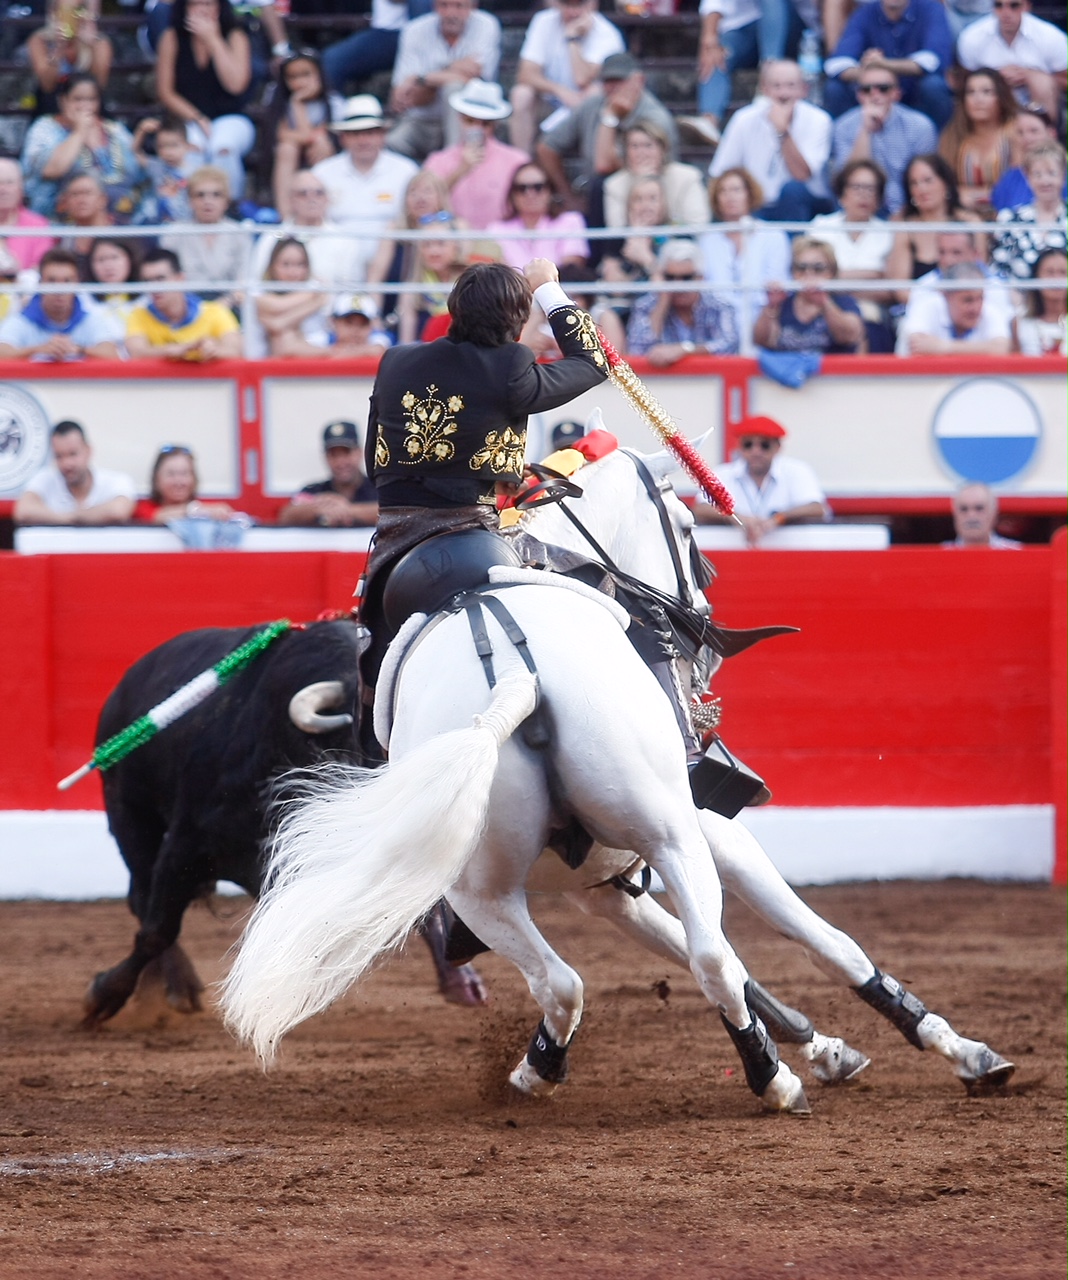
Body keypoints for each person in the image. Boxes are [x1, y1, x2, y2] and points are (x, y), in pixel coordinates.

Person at [358, 257, 610, 715]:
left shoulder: (395, 361)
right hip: (470, 527)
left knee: (371, 648)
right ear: (516, 322)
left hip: (392, 535)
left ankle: (368, 711)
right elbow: (593, 361)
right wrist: (548, 290)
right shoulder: (511, 366)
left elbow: (373, 456)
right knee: (596, 583)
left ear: (455, 309)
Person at [535, 51, 678, 215]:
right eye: (608, 81)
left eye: (619, 80)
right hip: (596, 199)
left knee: (603, 184)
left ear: (639, 80)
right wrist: (567, 196)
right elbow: (546, 147)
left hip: (649, 199)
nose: (613, 87)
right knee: (598, 189)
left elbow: (604, 166)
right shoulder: (592, 105)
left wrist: (610, 117)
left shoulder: (655, 117)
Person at [708, 60, 834, 223]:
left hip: (806, 203)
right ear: (764, 89)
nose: (783, 94)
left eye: (791, 86)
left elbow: (802, 175)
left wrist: (783, 132)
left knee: (792, 190)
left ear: (804, 89)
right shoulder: (744, 118)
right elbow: (721, 172)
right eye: (776, 86)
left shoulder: (819, 120)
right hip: (757, 205)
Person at [156, 0, 256, 204]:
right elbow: (165, 92)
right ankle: (189, 205)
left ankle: (229, 204)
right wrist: (197, 117)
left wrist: (213, 40)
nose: (203, 10)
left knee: (223, 147)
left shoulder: (236, 36)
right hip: (189, 117)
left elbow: (236, 85)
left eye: (209, 4)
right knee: (192, 146)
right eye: (196, 4)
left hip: (232, 117)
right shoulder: (172, 37)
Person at [311, 94, 420, 281]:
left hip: (394, 257)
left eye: (369, 132)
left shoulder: (406, 171)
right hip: (336, 257)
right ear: (343, 138)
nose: (363, 140)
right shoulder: (323, 172)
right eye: (355, 134)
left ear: (382, 135)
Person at [20, 71, 145, 222]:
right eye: (77, 99)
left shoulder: (115, 130)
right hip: (58, 220)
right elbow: (51, 170)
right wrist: (79, 132)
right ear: (63, 101)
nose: (84, 106)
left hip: (118, 219)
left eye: (91, 99)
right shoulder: (45, 128)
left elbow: (137, 170)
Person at [387, 0, 502, 162]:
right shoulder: (414, 30)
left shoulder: (486, 24)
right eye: (444, 5)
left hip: (469, 123)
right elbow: (404, 97)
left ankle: (453, 163)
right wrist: (453, 69)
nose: (450, 13)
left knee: (453, 88)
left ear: (472, 7)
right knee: (391, 144)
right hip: (422, 120)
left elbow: (475, 81)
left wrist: (421, 78)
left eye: (459, 6)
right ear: (434, 6)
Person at [692, 414, 830, 548]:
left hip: (787, 551)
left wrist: (779, 519)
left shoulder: (797, 471)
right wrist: (736, 517)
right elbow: (701, 508)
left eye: (764, 445)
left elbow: (816, 508)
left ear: (777, 447)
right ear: (739, 447)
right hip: (737, 552)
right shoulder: (723, 473)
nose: (755, 451)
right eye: (748, 445)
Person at [509, 0, 625, 155]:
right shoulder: (543, 21)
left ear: (593, 4)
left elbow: (581, 79)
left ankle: (589, 166)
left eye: (579, 5)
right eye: (568, 4)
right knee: (521, 94)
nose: (573, 12)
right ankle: (522, 163)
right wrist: (559, 91)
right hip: (550, 103)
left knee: (594, 93)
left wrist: (573, 40)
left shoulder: (608, 34)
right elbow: (525, 74)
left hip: (586, 107)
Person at [683, 0, 802, 148]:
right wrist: (709, 38)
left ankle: (768, 78)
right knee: (716, 53)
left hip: (794, 26)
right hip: (746, 27)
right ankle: (709, 119)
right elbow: (714, 4)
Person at [697, 167, 791, 354]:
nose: (730, 196)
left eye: (736, 190)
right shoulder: (706, 240)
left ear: (749, 194)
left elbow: (775, 286)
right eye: (723, 191)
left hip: (763, 321)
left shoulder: (774, 236)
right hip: (717, 327)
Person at [823, 0, 955, 128]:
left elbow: (932, 61)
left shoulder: (930, 8)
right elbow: (836, 64)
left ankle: (936, 145)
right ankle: (843, 143)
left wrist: (883, 64)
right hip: (875, 91)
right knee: (834, 88)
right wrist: (873, 73)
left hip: (914, 93)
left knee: (933, 85)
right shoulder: (865, 13)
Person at [830, 62, 938, 213]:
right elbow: (848, 179)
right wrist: (865, 130)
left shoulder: (920, 126)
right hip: (860, 207)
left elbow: (923, 177)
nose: (875, 94)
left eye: (883, 89)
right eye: (867, 89)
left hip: (907, 207)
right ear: (859, 95)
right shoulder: (844, 126)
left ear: (896, 94)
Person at [810, 159, 896, 350]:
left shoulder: (889, 233)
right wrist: (872, 275)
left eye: (870, 189)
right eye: (857, 187)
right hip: (823, 311)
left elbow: (889, 290)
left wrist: (834, 279)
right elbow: (811, 278)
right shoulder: (821, 227)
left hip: (872, 316)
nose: (863, 195)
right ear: (842, 195)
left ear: (879, 199)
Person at [423, 79, 529, 230]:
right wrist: (461, 170)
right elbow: (426, 207)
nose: (477, 128)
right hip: (453, 244)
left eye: (485, 123)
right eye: (470, 120)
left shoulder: (517, 161)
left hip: (501, 244)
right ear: (460, 119)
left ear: (495, 124)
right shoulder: (437, 161)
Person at [626, 238, 739, 366]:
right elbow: (637, 352)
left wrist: (685, 350)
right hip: (661, 384)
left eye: (686, 278)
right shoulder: (645, 306)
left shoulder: (719, 306)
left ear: (700, 278)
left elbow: (729, 345)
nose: (677, 285)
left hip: (707, 381)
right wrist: (662, 303)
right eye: (670, 277)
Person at [886, 153, 982, 300]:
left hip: (968, 307)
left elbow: (981, 273)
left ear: (946, 183)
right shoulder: (905, 229)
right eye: (914, 183)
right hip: (919, 309)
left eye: (928, 180)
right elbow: (900, 289)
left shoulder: (971, 222)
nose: (921, 189)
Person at [250, 170, 367, 288]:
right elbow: (257, 282)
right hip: (279, 303)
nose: (312, 199)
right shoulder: (272, 238)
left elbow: (351, 288)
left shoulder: (344, 240)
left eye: (319, 193)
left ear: (327, 199)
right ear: (291, 200)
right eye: (303, 193)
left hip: (329, 303)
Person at [0, 246, 121, 361]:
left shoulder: (90, 319)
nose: (59, 289)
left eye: (67, 281)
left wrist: (79, 350)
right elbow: (2, 351)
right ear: (40, 283)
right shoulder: (22, 320)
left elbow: (113, 354)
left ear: (77, 284)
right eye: (52, 280)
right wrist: (37, 350)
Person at [125, 246, 243, 361]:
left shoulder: (215, 311)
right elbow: (136, 353)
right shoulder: (138, 314)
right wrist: (173, 350)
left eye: (160, 279)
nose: (153, 287)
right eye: (147, 281)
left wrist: (213, 350)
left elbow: (236, 351)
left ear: (180, 279)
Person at [956, 0, 1068, 120]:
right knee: (982, 86)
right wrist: (995, 78)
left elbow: (1065, 80)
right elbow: (964, 82)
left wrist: (1029, 76)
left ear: (1026, 6)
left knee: (1042, 82)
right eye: (998, 5)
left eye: (1014, 5)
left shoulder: (1051, 36)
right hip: (993, 105)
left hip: (1037, 103)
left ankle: (1044, 131)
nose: (1006, 13)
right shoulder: (972, 37)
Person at [754, 236, 867, 354]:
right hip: (791, 371)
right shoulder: (783, 302)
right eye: (801, 268)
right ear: (793, 272)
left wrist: (825, 303)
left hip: (833, 371)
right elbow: (762, 341)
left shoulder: (844, 301)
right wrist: (771, 306)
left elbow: (849, 337)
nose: (809, 274)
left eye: (818, 268)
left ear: (832, 272)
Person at [13, 419, 135, 526]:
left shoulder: (115, 480)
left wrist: (74, 517)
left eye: (73, 454)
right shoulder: (44, 479)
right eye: (59, 456)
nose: (67, 463)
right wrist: (70, 518)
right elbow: (23, 511)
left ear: (88, 451)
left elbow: (119, 511)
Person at [160, 165, 251, 306]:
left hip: (230, 305)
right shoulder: (174, 233)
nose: (207, 201)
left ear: (226, 202)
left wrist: (222, 305)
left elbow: (244, 279)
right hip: (185, 306)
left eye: (216, 195)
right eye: (200, 195)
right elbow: (167, 278)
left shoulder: (239, 233)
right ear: (190, 201)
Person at [267, 50, 341, 219]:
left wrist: (310, 136)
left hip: (324, 157)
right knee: (287, 149)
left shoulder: (334, 103)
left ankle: (324, 213)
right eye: (293, 77)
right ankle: (285, 215)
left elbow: (315, 137)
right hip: (290, 161)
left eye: (306, 74)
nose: (300, 82)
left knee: (322, 145)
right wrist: (297, 103)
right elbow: (284, 136)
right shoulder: (281, 104)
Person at [602, 122, 711, 231]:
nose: (641, 153)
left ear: (662, 149)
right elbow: (616, 229)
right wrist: (640, 182)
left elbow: (698, 222)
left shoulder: (687, 176)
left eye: (648, 145)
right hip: (633, 241)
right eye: (634, 146)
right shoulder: (614, 185)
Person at [938, 67, 1016, 215]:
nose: (978, 99)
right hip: (965, 218)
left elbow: (1021, 181)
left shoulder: (1016, 132)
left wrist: (986, 194)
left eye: (986, 92)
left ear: (1001, 97)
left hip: (1010, 213)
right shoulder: (952, 136)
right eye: (970, 92)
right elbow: (943, 184)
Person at [486, 162, 590, 272]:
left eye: (538, 187)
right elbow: (496, 271)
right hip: (511, 288)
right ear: (512, 194)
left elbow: (571, 265)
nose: (530, 194)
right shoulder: (496, 229)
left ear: (550, 191)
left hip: (558, 287)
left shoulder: (571, 221)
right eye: (522, 188)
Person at [895, 260, 1013, 354]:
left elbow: (1001, 348)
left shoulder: (989, 310)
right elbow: (916, 345)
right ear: (946, 296)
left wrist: (942, 347)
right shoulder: (926, 306)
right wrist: (981, 349)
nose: (976, 307)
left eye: (980, 298)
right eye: (968, 300)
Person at [277, 419, 379, 527]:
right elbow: (285, 516)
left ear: (360, 453)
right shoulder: (313, 490)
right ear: (326, 457)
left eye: (346, 453)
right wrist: (318, 507)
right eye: (333, 455)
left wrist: (345, 510)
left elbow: (392, 514)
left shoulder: (378, 488)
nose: (340, 462)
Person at [990, 140, 1068, 281]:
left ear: (1063, 175)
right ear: (1027, 177)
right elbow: (998, 269)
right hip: (1019, 300)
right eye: (1037, 174)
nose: (1045, 181)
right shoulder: (1009, 219)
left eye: (1052, 173)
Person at [321, 0, 432, 98]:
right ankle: (335, 113)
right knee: (331, 61)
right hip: (386, 32)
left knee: (333, 61)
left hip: (404, 31)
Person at [25, 0, 113, 119]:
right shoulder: (40, 40)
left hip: (90, 108)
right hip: (50, 110)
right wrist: (59, 48)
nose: (72, 16)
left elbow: (99, 83)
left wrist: (91, 45)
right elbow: (47, 86)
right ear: (53, 13)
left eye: (77, 11)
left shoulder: (100, 42)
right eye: (65, 10)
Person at [250, 236, 331, 358]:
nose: (293, 271)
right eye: (286, 264)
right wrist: (314, 303)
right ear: (272, 266)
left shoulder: (314, 287)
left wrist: (283, 320)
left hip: (317, 347)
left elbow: (279, 322)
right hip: (271, 358)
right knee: (283, 338)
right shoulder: (261, 291)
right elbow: (276, 318)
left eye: (300, 264)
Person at [990, 103, 1068, 212]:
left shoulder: (1065, 170)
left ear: (1051, 133)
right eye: (1020, 132)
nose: (1026, 138)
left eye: (1033, 131)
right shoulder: (1010, 178)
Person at [134, 444, 236, 523]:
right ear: (156, 479)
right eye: (171, 474)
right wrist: (195, 511)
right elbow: (158, 517)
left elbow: (224, 509)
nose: (179, 482)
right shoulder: (143, 508)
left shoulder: (201, 505)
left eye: (185, 474)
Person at [133, 113, 199, 223]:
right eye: (162, 146)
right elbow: (134, 153)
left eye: (174, 145)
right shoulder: (156, 166)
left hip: (184, 222)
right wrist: (141, 131)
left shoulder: (194, 172)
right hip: (157, 222)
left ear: (188, 146)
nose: (168, 152)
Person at [0, 158, 55, 274]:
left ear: (21, 189)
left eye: (9, 183)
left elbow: (43, 269)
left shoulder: (38, 225)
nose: (3, 189)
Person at [1014, 246, 1068, 355]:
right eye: (1050, 272)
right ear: (1036, 277)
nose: (1056, 279)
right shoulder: (1019, 321)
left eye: (1063, 272)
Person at [943, 482, 1022, 548]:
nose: (971, 515)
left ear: (994, 514)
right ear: (955, 515)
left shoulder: (1017, 554)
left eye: (979, 508)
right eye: (964, 509)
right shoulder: (940, 555)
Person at [86, 236, 142, 323]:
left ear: (130, 259)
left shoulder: (146, 299)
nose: (108, 266)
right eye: (101, 259)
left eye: (114, 257)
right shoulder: (84, 300)